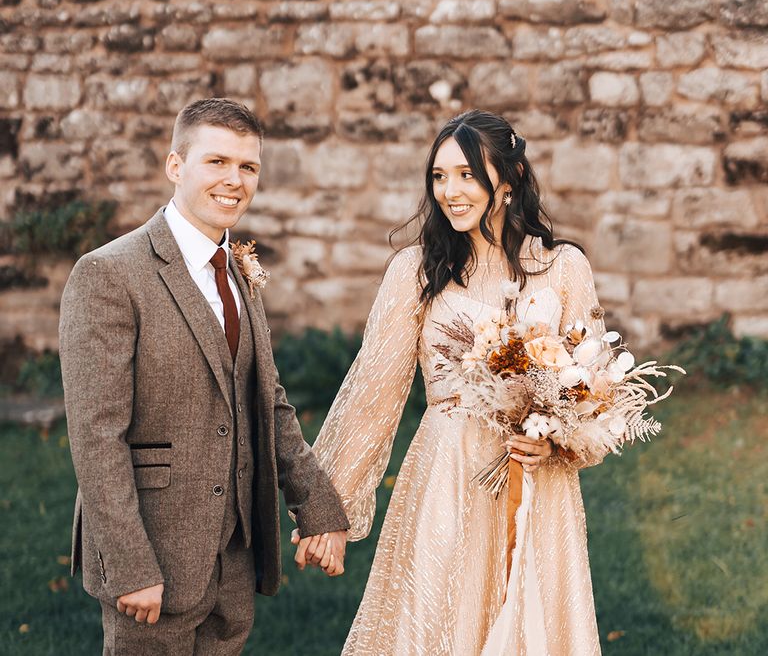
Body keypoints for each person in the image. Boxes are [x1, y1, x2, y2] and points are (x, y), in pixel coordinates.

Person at [306, 109, 607, 655]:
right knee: (439, 623)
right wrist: (327, 508)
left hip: (539, 488)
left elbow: (594, 390)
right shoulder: (416, 271)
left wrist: (555, 436)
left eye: (467, 174)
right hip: (448, 475)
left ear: (509, 181)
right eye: (439, 176)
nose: (450, 191)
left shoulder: (564, 268)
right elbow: (374, 393)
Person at [59, 98, 349, 655]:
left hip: (233, 556)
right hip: (152, 558)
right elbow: (96, 436)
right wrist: (129, 564)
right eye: (216, 162)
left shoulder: (237, 269)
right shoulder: (108, 274)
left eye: (248, 167)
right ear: (176, 166)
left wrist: (316, 507)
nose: (234, 180)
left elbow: (268, 401)